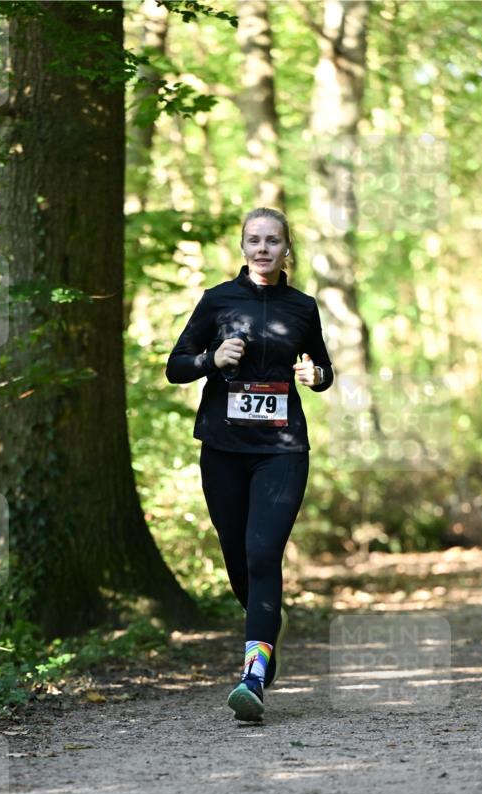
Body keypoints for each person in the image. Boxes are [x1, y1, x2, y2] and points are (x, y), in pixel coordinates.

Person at [165, 207, 334, 722]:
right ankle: (267, 624)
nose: (263, 249)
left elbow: (324, 369)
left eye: (273, 240)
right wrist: (210, 361)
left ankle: (254, 674)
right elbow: (176, 366)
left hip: (281, 450)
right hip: (224, 449)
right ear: (243, 247)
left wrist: (315, 375)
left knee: (263, 554)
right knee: (239, 559)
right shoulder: (218, 301)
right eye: (254, 240)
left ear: (287, 249)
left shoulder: (302, 307)